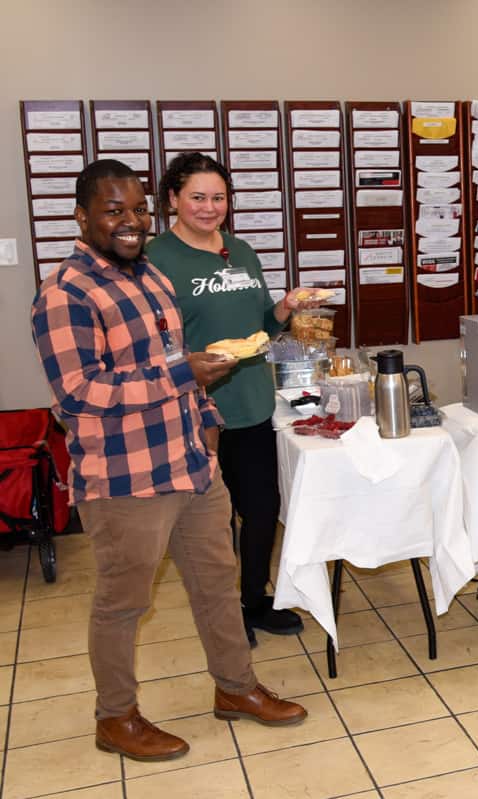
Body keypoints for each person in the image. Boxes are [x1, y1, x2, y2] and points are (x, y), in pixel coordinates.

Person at [30, 160, 307, 761]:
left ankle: (236, 688)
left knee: (216, 583)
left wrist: (206, 423)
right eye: (113, 211)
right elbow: (77, 395)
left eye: (137, 211)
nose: (130, 223)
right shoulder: (65, 293)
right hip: (125, 476)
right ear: (81, 217)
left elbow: (177, 360)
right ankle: (116, 718)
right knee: (123, 602)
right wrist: (181, 375)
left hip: (190, 463)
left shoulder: (151, 277)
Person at [147, 153, 318, 647]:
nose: (209, 207)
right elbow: (152, 339)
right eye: (197, 197)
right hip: (196, 410)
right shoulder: (157, 259)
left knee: (262, 509)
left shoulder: (241, 251)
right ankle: (223, 612)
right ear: (172, 200)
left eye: (218, 198)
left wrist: (284, 307)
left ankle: (255, 599)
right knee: (212, 521)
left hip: (251, 400)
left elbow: (261, 328)